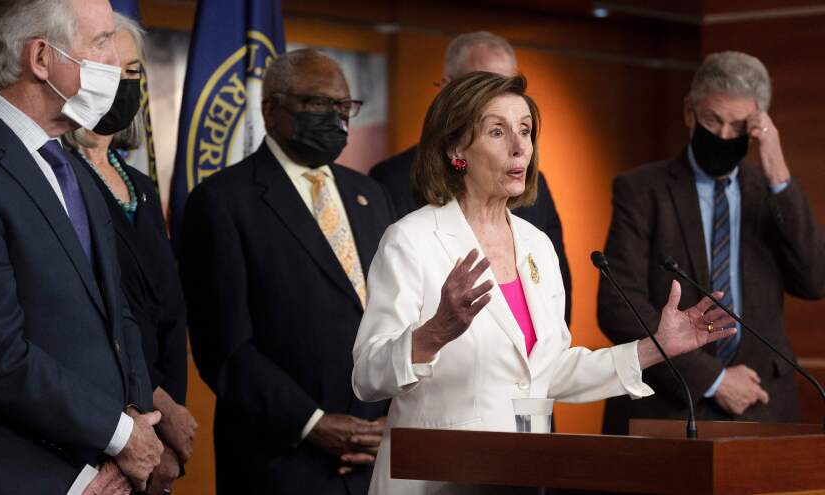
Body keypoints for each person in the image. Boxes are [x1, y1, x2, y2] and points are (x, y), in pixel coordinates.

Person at [351, 71, 736, 495]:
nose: (520, 148)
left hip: (521, 475)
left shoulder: (535, 245)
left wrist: (654, 347)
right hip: (434, 478)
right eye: (497, 132)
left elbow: (547, 372)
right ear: (455, 147)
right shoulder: (412, 239)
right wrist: (432, 334)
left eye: (525, 131)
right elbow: (368, 377)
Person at [0, 1, 164, 494]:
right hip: (23, 476)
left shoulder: (74, 168)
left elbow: (117, 316)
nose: (117, 61)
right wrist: (119, 435)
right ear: (42, 58)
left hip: (109, 473)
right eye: (101, 42)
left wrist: (132, 429)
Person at [180, 49, 396, 494]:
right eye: (319, 105)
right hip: (281, 462)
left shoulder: (370, 195)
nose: (337, 119)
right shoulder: (222, 201)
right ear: (271, 109)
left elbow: (394, 316)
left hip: (374, 458)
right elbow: (225, 347)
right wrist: (312, 424)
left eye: (345, 107)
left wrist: (390, 424)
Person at [597, 51, 825, 434]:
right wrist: (714, 379)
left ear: (757, 127)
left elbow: (815, 279)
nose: (722, 136)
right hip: (668, 404)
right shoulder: (641, 190)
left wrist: (779, 174)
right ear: (690, 112)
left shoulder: (769, 192)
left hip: (762, 403)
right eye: (712, 120)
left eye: (737, 127)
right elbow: (619, 305)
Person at [63, 12, 197, 495]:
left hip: (160, 423)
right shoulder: (61, 179)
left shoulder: (138, 183)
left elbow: (169, 310)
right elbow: (101, 317)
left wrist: (170, 420)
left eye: (133, 71)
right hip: (107, 425)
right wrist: (156, 412)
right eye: (110, 68)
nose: (124, 82)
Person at [369, 31, 573, 325]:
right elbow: (380, 358)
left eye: (525, 130)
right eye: (482, 85)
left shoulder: (536, 235)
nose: (499, 95)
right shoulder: (400, 212)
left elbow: (557, 326)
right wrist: (435, 333)